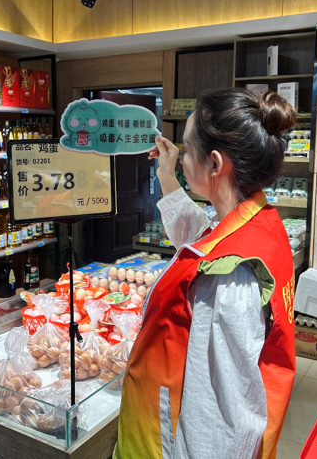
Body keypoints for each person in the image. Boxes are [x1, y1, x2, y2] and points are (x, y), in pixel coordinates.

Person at [115, 89, 297, 459]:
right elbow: (200, 238)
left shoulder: (229, 276)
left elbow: (216, 415)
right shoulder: (257, 222)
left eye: (185, 148)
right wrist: (167, 175)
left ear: (214, 163)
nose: (181, 157)